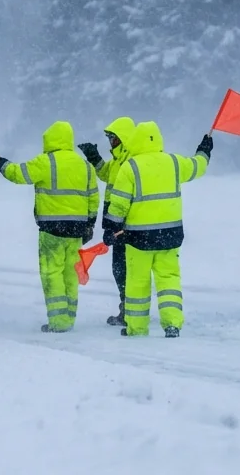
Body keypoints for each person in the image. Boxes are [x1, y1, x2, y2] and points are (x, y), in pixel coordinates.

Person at [0, 121, 100, 333]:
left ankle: (58, 322)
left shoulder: (46, 161)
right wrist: (90, 224)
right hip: (77, 229)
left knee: (52, 273)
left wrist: (0, 162)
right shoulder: (85, 166)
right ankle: (69, 318)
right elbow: (93, 197)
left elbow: (19, 174)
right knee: (71, 273)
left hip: (52, 229)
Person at [104, 121, 213, 338]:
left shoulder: (130, 167)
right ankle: (172, 323)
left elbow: (118, 204)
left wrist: (111, 228)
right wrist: (204, 150)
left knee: (137, 282)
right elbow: (197, 167)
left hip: (138, 238)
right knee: (169, 280)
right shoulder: (173, 162)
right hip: (170, 235)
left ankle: (137, 328)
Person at [78, 116, 138, 326]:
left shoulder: (131, 161)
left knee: (125, 270)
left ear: (123, 138)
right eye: (109, 138)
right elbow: (106, 174)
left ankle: (130, 313)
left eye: (113, 138)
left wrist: (115, 226)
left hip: (126, 226)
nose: (110, 142)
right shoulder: (118, 161)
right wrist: (95, 159)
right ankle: (129, 310)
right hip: (118, 224)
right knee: (121, 269)